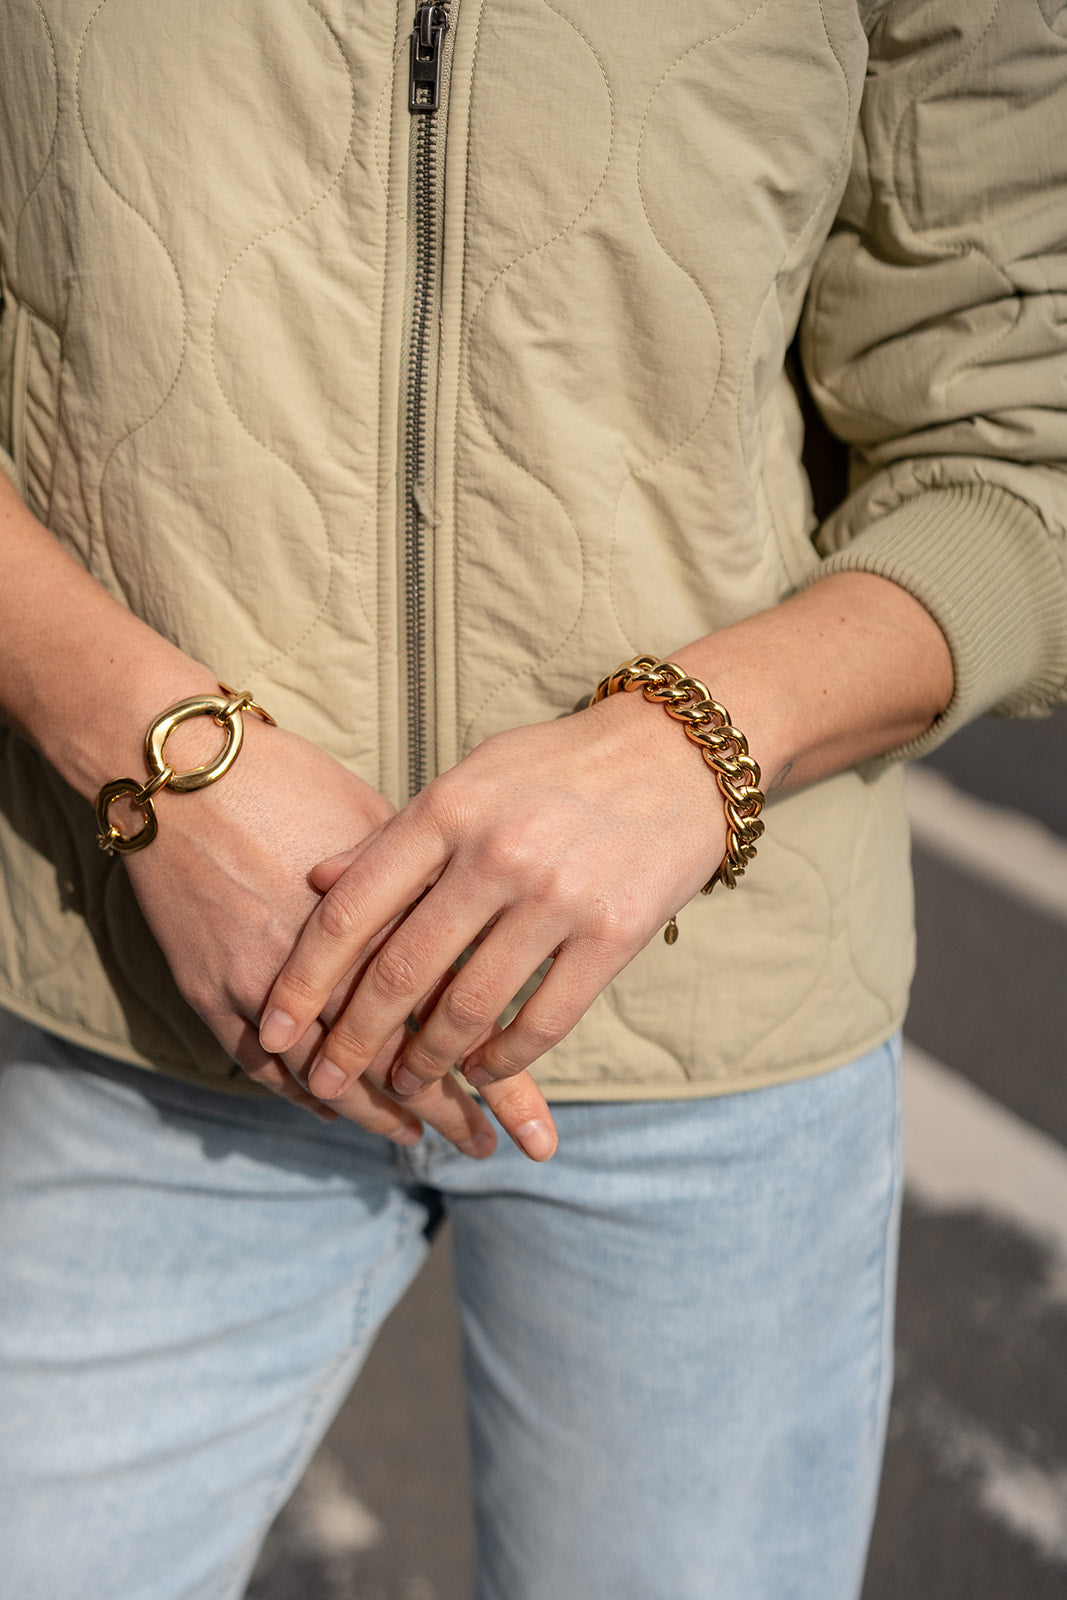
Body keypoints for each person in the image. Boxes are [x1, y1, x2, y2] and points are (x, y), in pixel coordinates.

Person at [0, 2, 1064, 1596]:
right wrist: (151, 753)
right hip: (154, 1007)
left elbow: (1021, 458)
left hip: (710, 1037)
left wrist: (690, 749)